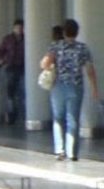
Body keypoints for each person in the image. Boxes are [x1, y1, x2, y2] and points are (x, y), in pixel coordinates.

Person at [41, 19, 100, 161]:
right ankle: (72, 152)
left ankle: (59, 150)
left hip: (58, 86)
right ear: (77, 32)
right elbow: (90, 70)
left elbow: (45, 63)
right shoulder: (83, 48)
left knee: (58, 118)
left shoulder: (55, 46)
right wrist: (94, 88)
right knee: (73, 119)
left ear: (63, 32)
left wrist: (51, 67)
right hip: (76, 87)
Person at [0, 19, 25, 125]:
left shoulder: (25, 39)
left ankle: (20, 114)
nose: (19, 30)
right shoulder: (8, 39)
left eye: (21, 28)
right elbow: (0, 51)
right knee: (11, 92)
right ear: (14, 28)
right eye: (18, 28)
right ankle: (12, 114)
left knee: (21, 91)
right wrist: (3, 60)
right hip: (11, 67)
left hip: (22, 67)